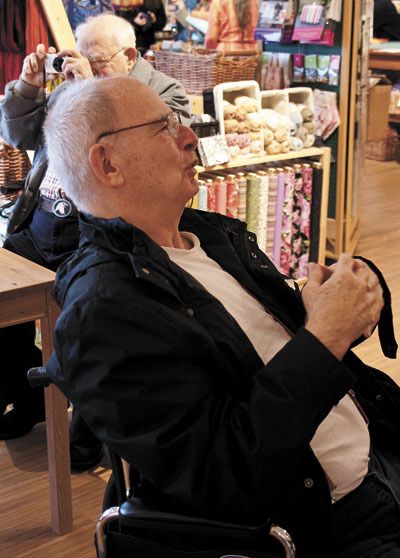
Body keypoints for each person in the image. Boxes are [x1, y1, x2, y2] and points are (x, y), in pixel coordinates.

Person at [43, 74, 400, 557]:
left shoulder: (207, 236)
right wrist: (326, 335)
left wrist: (344, 303)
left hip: (376, 449)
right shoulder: (102, 312)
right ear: (108, 163)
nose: (191, 137)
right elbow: (227, 472)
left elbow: (275, 349)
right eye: (164, 127)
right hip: (324, 523)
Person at [0, 13, 190, 471]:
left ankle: (87, 431)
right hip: (39, 220)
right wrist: (28, 88)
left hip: (101, 229)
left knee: (91, 328)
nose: (84, 65)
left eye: (97, 59)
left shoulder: (165, 92)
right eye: (80, 55)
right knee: (5, 315)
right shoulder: (70, 82)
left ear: (129, 56)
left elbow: (156, 158)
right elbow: (17, 134)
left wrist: (90, 93)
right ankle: (27, 398)